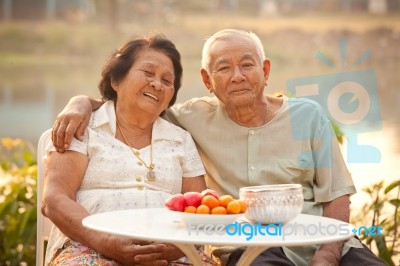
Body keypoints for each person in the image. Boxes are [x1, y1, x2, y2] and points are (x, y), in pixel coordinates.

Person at [50, 29, 386, 266]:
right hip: (252, 249)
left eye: (247, 64)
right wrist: (81, 103)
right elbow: (135, 104)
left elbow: (337, 196)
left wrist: (326, 257)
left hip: (325, 244)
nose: (237, 76)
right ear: (208, 82)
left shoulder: (307, 116)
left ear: (266, 71)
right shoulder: (186, 120)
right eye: (223, 67)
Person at [41, 33, 218, 266]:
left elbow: (199, 212)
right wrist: (107, 243)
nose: (157, 84)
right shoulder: (83, 127)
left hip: (169, 254)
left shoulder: (181, 140)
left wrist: (162, 252)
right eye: (147, 73)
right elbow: (54, 199)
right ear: (116, 80)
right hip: (87, 248)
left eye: (167, 81)